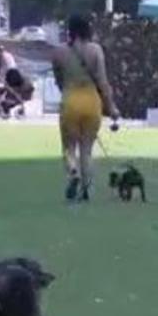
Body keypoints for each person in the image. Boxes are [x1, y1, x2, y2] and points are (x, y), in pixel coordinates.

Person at [51, 15, 118, 202]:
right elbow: (103, 82)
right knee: (87, 149)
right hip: (91, 101)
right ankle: (86, 188)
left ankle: (73, 172)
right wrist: (111, 107)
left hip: (70, 99)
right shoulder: (96, 50)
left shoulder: (59, 52)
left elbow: (59, 80)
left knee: (68, 147)